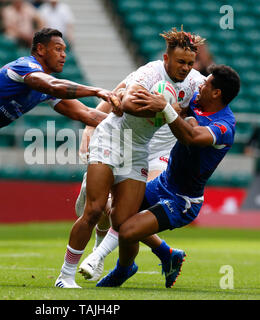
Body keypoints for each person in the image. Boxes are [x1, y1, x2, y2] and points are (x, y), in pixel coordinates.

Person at [0, 28, 118, 283]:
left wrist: (133, 127)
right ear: (40, 49)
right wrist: (96, 90)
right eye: (58, 49)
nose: (64, 55)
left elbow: (87, 114)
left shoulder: (46, 86)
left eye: (65, 50)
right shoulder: (24, 68)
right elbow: (52, 85)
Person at [55, 27, 206, 288]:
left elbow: (216, 98)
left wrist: (172, 108)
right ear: (166, 58)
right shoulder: (149, 72)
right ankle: (66, 275)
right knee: (94, 209)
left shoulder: (196, 82)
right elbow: (124, 101)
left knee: (125, 221)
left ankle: (119, 260)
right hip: (113, 139)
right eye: (180, 62)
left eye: (190, 63)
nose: (185, 68)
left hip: (144, 150)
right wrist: (161, 106)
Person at [96, 64, 240, 288]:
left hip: (182, 200)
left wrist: (167, 109)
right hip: (162, 183)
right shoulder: (196, 102)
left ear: (216, 93)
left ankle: (123, 270)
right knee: (116, 211)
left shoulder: (224, 126)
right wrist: (126, 94)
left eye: (206, 83)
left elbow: (191, 137)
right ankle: (168, 254)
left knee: (126, 232)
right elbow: (176, 111)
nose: (200, 85)